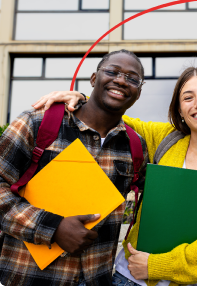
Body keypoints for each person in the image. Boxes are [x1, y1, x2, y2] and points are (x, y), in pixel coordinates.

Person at [32, 66, 197, 286]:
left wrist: (155, 266)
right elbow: (114, 118)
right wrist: (83, 99)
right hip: (128, 277)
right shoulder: (167, 139)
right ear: (179, 110)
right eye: (188, 98)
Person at [0, 49, 148, 286]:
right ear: (93, 78)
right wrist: (52, 227)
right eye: (113, 71)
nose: (121, 80)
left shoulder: (135, 146)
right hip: (27, 276)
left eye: (132, 78)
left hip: (96, 279)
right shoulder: (38, 122)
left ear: (138, 93)